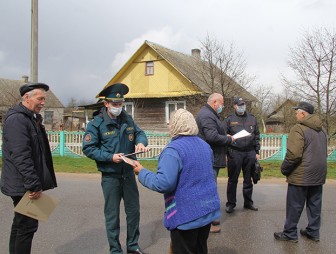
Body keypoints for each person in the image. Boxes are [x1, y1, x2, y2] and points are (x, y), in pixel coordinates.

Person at [133, 109, 221, 254]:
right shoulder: (205, 146)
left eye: (170, 123)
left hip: (186, 216)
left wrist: (141, 172)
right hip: (207, 211)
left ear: (175, 125)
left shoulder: (173, 150)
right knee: (200, 249)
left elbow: (164, 183)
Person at [82, 83, 149, 254]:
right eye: (115, 104)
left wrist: (141, 142)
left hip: (128, 174)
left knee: (133, 212)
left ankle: (133, 246)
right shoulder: (96, 124)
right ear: (106, 104)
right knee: (112, 216)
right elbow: (89, 148)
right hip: (110, 176)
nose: (118, 107)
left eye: (120, 104)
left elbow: (139, 133)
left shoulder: (127, 119)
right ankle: (115, 249)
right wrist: (110, 157)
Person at [1, 83, 58, 254]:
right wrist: (33, 184)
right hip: (23, 184)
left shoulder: (30, 118)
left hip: (23, 182)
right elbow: (21, 156)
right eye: (40, 98)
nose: (43, 103)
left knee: (20, 224)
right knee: (27, 226)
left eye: (44, 99)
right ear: (26, 97)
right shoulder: (18, 120)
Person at [274, 101, 327, 243]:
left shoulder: (298, 129)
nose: (296, 114)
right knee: (315, 204)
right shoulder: (322, 130)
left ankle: (290, 233)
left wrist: (285, 169)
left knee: (295, 204)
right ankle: (313, 232)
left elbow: (294, 154)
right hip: (319, 173)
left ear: (303, 113)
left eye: (297, 112)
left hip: (302, 174)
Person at [196, 93, 234, 233]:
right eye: (222, 103)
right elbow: (211, 136)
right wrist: (228, 139)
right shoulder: (207, 115)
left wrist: (225, 136)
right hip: (209, 158)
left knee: (210, 188)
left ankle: (211, 218)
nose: (223, 106)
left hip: (211, 156)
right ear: (214, 102)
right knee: (209, 189)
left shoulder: (210, 114)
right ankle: (209, 221)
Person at [224, 97, 260, 213]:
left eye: (243, 104)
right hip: (235, 152)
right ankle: (231, 204)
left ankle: (248, 202)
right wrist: (226, 152)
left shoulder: (252, 118)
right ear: (234, 106)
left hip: (250, 152)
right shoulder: (229, 119)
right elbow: (224, 136)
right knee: (232, 179)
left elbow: (257, 136)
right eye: (239, 105)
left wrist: (257, 151)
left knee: (248, 179)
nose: (242, 107)